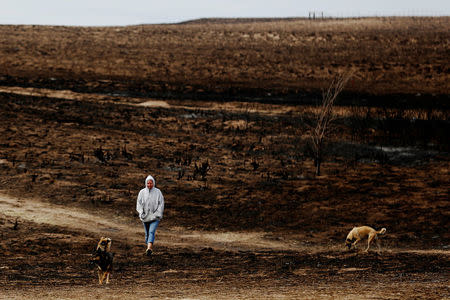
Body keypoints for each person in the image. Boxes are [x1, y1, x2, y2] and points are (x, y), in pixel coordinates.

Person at [136, 175, 164, 256]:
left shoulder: (158, 192)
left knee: (151, 232)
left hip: (155, 217)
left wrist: (158, 214)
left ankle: (149, 248)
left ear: (153, 183)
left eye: (151, 183)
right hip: (145, 217)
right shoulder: (142, 192)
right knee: (147, 234)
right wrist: (141, 212)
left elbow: (161, 203)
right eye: (148, 183)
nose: (149, 185)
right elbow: (139, 203)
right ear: (146, 183)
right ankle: (148, 245)